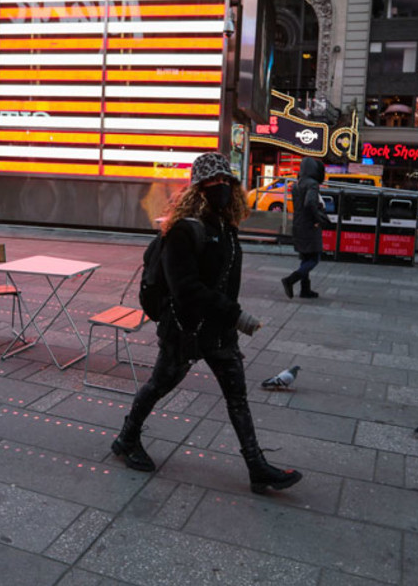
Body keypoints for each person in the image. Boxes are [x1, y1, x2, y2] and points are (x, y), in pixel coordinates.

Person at [111, 152, 303, 495]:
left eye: (226, 181)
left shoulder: (226, 229)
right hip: (185, 330)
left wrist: (229, 318)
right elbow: (185, 289)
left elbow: (225, 280)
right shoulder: (184, 231)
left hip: (220, 332)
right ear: (196, 189)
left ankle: (256, 467)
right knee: (160, 385)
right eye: (212, 183)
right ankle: (126, 438)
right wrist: (235, 314)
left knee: (237, 397)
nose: (221, 188)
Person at [281, 157, 326, 299]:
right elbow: (310, 203)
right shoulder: (312, 184)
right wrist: (318, 218)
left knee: (305, 257)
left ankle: (305, 290)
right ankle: (291, 280)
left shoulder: (297, 184)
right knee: (315, 258)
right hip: (309, 226)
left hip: (298, 225)